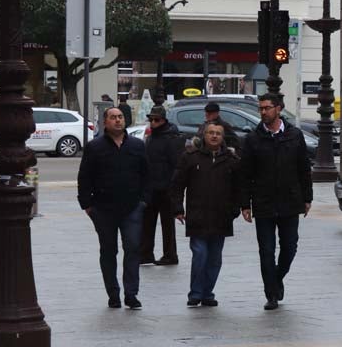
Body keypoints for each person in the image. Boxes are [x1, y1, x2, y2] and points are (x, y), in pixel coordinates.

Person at [240, 93, 312, 310]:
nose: (263, 112)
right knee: (266, 251)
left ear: (278, 109)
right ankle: (271, 294)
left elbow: (303, 169)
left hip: (290, 202)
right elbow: (245, 174)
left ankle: (277, 277)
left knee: (290, 247)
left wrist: (307, 197)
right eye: (261, 108)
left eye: (267, 108)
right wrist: (245, 204)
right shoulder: (253, 139)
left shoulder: (294, 135)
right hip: (264, 203)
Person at [77, 106, 151, 309]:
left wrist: (144, 200)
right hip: (103, 209)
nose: (118, 120)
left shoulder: (137, 145)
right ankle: (113, 293)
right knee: (108, 251)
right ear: (105, 122)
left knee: (133, 249)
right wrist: (87, 205)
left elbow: (146, 175)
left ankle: (131, 294)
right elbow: (85, 177)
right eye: (113, 117)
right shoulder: (95, 147)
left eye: (120, 117)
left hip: (132, 208)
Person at [172, 121, 241, 308]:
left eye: (218, 133)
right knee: (200, 254)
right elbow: (178, 184)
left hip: (221, 216)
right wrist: (178, 208)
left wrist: (236, 210)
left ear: (223, 137)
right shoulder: (191, 157)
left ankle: (207, 292)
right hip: (198, 215)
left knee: (215, 258)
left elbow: (238, 188)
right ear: (204, 135)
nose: (214, 136)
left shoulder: (231, 160)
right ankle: (195, 293)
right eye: (211, 133)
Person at [139, 105, 185, 266]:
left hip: (166, 188)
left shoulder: (171, 138)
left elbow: (176, 165)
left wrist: (171, 187)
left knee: (167, 224)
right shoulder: (151, 137)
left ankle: (170, 255)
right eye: (151, 119)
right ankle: (145, 254)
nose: (153, 122)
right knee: (147, 222)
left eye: (156, 120)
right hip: (151, 188)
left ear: (164, 120)